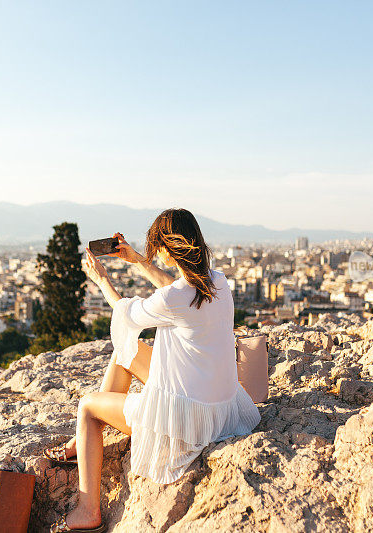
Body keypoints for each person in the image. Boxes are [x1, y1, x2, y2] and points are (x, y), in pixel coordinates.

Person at [46, 208, 261, 533]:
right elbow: (177, 289)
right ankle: (86, 440)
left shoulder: (174, 297)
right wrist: (138, 261)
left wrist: (101, 278)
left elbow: (126, 313)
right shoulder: (217, 281)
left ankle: (88, 508)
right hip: (222, 408)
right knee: (125, 351)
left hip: (187, 421)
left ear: (165, 248)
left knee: (87, 406)